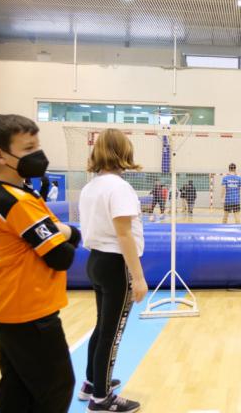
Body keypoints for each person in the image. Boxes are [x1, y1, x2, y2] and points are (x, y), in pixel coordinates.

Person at [0, 114, 80, 412]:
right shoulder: (17, 202)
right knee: (56, 389)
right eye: (28, 148)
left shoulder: (1, 193)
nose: (37, 155)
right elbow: (61, 256)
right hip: (30, 311)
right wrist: (70, 231)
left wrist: (62, 232)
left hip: (7, 306)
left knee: (17, 388)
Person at [78, 128, 147, 413]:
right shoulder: (119, 188)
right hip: (115, 263)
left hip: (95, 260)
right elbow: (124, 234)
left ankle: (92, 384)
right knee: (112, 332)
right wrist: (139, 277)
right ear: (124, 152)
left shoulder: (91, 186)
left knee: (102, 326)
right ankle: (101, 399)